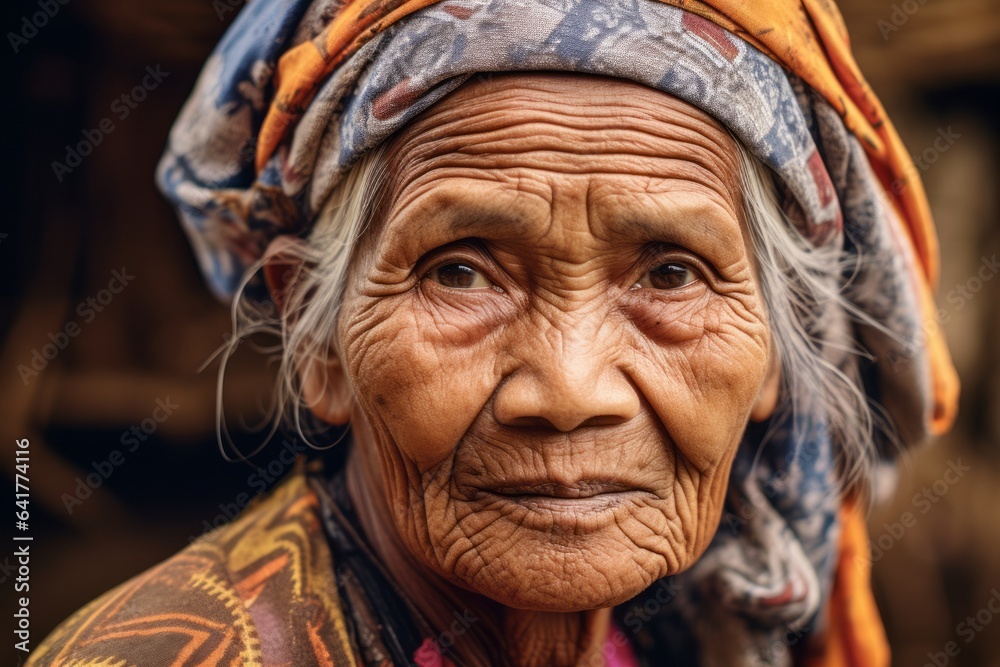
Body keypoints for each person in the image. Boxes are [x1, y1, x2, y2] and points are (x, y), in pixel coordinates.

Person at [27, 0, 960, 665]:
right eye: (460, 271)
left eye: (670, 272)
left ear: (777, 342)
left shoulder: (699, 624)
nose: (568, 389)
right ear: (315, 336)